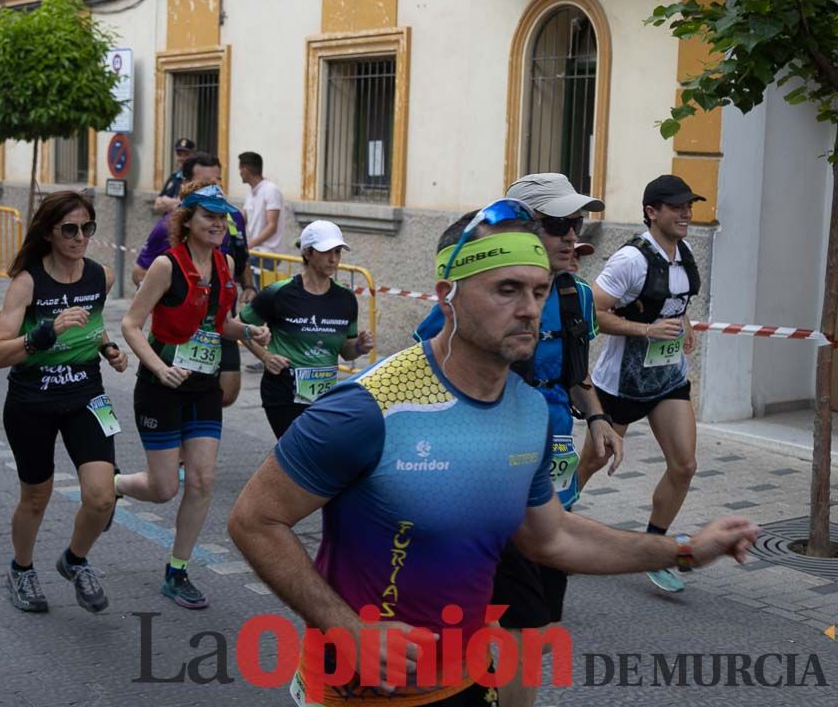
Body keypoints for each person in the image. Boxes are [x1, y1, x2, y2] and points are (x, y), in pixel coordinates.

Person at [228, 200, 757, 707]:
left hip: (469, 682)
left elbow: (553, 536)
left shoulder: (527, 411)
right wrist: (347, 630)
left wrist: (684, 551)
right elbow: (255, 520)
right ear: (447, 294)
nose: (528, 309)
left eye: (538, 290)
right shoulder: (369, 406)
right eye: (507, 289)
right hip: (362, 692)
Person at [417, 174, 623, 707]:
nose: (570, 236)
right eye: (556, 225)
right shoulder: (479, 293)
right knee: (523, 624)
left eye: (575, 225)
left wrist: (597, 419)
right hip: (487, 477)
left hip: (550, 473)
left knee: (540, 620)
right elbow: (429, 362)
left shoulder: (577, 295)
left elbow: (576, 374)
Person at [117, 180, 270, 609]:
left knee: (202, 480)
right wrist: (159, 367)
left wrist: (251, 333)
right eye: (209, 216)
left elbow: (220, 325)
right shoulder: (167, 265)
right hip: (161, 386)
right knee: (164, 487)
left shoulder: (223, 264)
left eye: (222, 218)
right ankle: (113, 486)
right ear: (187, 221)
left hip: (204, 386)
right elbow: (131, 324)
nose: (218, 224)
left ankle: (177, 571)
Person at [0, 191, 128, 615]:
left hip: (86, 394)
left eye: (88, 228)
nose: (80, 237)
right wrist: (46, 332)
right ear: (50, 232)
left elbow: (95, 324)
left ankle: (74, 559)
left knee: (103, 497)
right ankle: (22, 568)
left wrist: (108, 349)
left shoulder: (100, 276)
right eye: (70, 229)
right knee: (36, 496)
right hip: (32, 399)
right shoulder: (28, 282)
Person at [577, 174, 706, 594]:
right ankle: (551, 528)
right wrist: (646, 331)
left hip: (667, 381)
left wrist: (683, 325)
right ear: (652, 212)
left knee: (684, 465)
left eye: (690, 205)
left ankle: (654, 548)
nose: (686, 213)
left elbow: (676, 303)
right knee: (593, 462)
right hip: (620, 384)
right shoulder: (630, 260)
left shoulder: (683, 252)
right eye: (677, 207)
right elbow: (594, 313)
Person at [133, 152, 256, 407]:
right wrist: (169, 295)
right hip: (168, 362)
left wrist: (249, 292)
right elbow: (137, 281)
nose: (219, 224)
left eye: (218, 182)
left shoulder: (232, 229)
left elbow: (243, 252)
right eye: (210, 216)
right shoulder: (165, 244)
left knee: (228, 396)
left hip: (215, 336)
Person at [241, 220, 373, 438]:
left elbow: (345, 351)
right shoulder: (279, 292)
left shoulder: (346, 298)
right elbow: (239, 325)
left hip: (325, 394)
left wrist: (359, 346)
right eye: (326, 252)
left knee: (318, 455)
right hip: (283, 391)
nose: (334, 259)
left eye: (338, 252)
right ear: (308, 253)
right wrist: (265, 357)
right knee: (298, 453)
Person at [239, 150, 284, 292]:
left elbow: (272, 226)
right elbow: (241, 219)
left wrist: (248, 245)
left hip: (267, 253)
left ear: (246, 169)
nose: (239, 172)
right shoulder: (251, 192)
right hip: (255, 252)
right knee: (253, 292)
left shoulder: (271, 190)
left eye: (240, 168)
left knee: (261, 294)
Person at [153, 137, 196, 212]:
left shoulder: (196, 178)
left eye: (186, 155)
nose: (182, 158)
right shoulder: (174, 177)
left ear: (193, 156)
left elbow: (188, 206)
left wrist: (165, 200)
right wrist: (176, 203)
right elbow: (157, 204)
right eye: (179, 155)